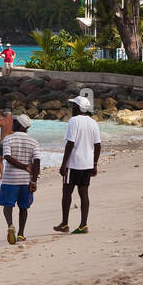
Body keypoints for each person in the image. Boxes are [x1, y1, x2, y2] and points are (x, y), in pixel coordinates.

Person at [57, 95, 102, 234]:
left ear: (77, 108)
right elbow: (98, 145)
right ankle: (83, 224)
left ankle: (64, 224)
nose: (72, 108)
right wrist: (95, 164)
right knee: (84, 194)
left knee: (67, 192)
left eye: (73, 106)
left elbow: (70, 143)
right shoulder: (93, 123)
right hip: (87, 164)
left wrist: (63, 164)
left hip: (73, 163)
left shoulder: (73, 121)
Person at [0, 114, 40, 243]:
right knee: (24, 207)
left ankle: (10, 225)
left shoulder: (8, 140)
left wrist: (23, 166)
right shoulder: (34, 142)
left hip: (10, 180)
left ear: (18, 125)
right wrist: (34, 180)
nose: (12, 123)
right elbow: (37, 162)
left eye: (14, 122)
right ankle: (21, 234)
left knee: (8, 206)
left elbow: (7, 157)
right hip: (26, 181)